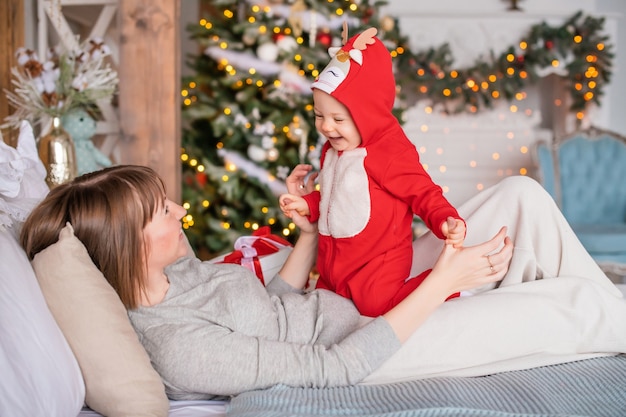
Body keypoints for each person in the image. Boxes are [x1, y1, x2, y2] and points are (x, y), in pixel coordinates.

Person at [20, 165, 626, 400]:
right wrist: (442, 284)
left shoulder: (177, 272)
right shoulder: (178, 348)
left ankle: (611, 314)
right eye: (159, 211)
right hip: (376, 348)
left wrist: (307, 235)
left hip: (358, 305)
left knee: (519, 197)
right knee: (567, 304)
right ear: (125, 246)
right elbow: (330, 370)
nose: (178, 209)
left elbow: (268, 308)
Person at [279, 28, 466, 317]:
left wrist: (445, 220)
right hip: (333, 266)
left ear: (367, 114)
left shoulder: (389, 151)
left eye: (338, 119)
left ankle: (444, 285)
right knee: (322, 304)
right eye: (319, 116)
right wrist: (307, 204)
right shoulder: (333, 149)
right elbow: (334, 197)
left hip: (377, 264)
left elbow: (423, 192)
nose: (326, 127)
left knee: (376, 303)